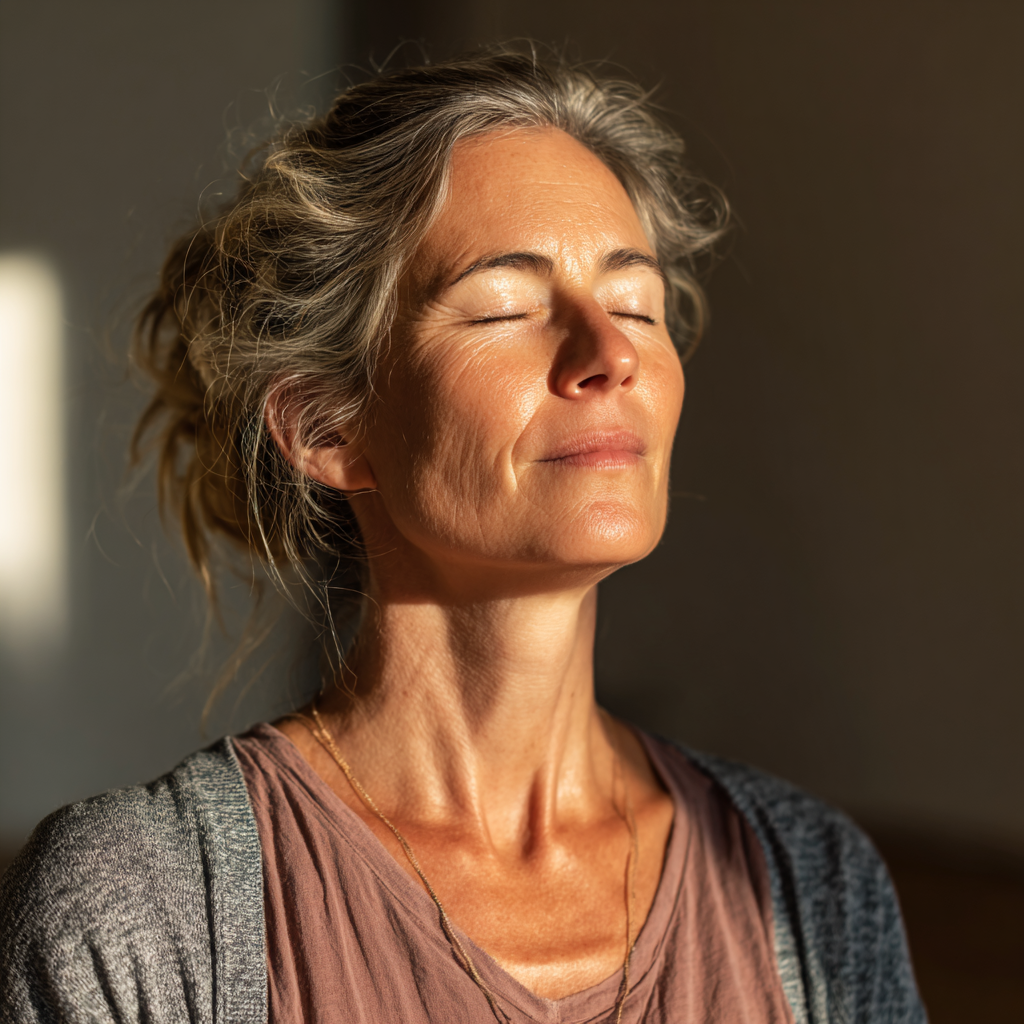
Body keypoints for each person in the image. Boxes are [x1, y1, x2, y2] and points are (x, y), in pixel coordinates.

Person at [0, 48, 926, 1023]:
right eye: (507, 307)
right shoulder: (146, 903)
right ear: (327, 427)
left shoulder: (810, 883)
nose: (609, 354)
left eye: (634, 304)